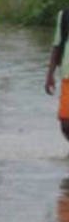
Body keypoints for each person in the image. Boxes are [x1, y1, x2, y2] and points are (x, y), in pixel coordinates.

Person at [44, 9, 69, 142]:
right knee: (65, 122)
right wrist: (50, 74)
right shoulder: (64, 15)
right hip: (67, 74)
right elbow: (57, 45)